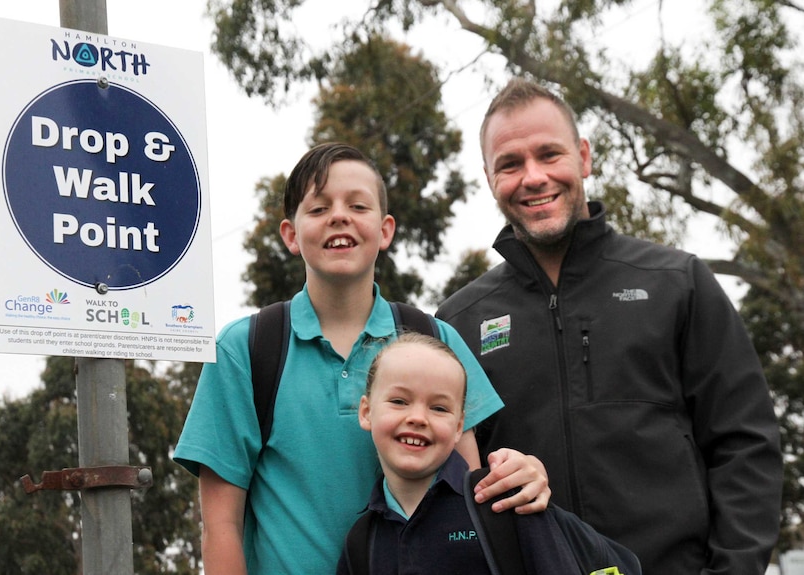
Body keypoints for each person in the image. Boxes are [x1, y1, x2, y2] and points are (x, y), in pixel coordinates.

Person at [436, 77, 783, 575]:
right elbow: (452, 486)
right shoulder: (458, 323)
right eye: (510, 164)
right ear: (489, 177)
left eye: (549, 154)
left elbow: (745, 444)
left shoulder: (678, 284)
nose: (533, 177)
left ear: (583, 157)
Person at [173, 142, 550, 574]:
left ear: (385, 230)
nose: (339, 216)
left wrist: (523, 474)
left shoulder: (435, 339)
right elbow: (220, 526)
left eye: (357, 205)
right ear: (291, 235)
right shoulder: (245, 350)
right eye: (318, 209)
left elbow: (467, 494)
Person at [336, 332, 641, 575]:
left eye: (439, 407)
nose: (418, 417)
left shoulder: (503, 502)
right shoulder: (362, 542)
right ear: (366, 412)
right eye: (400, 401)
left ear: (459, 427)